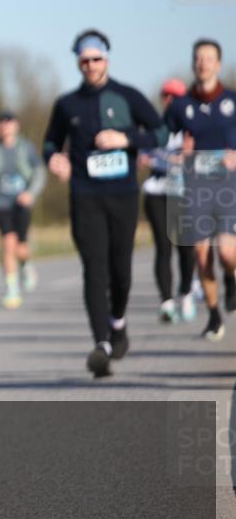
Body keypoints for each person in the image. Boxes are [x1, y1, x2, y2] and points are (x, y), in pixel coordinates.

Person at [43, 29, 168, 378]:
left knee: (120, 272)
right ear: (78, 63)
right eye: (84, 60)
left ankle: (118, 324)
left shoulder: (127, 96)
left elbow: (160, 134)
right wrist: (55, 160)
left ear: (106, 60)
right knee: (94, 270)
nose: (90, 66)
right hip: (85, 196)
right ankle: (101, 345)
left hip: (123, 195)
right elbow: (50, 143)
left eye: (96, 59)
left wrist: (125, 139)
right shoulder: (66, 104)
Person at [164, 38, 236, 340]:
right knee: (201, 256)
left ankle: (231, 279)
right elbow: (160, 144)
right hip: (196, 189)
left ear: (218, 64)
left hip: (228, 187)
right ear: (194, 63)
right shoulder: (181, 106)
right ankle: (215, 315)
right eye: (198, 58)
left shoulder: (232, 101)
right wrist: (178, 154)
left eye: (209, 58)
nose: (203, 63)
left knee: (228, 254)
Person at [0, 110, 46, 309]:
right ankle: (12, 290)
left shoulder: (26, 148)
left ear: (16, 125)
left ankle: (26, 265)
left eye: (8, 122)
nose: (4, 126)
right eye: (1, 123)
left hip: (21, 203)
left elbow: (39, 172)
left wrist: (31, 193)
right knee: (7, 243)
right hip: (0, 203)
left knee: (21, 248)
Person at [138, 78, 197, 323]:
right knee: (163, 247)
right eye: (166, 95)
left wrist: (177, 159)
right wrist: (168, 160)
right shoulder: (155, 127)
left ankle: (185, 293)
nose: (170, 100)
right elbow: (143, 156)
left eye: (176, 96)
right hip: (157, 192)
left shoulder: (192, 129)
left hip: (183, 192)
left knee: (185, 247)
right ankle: (166, 301)